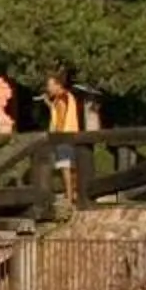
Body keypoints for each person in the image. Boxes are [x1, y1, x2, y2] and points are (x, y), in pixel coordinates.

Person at [44, 73, 83, 207]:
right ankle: (73, 193)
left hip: (64, 135)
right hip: (69, 134)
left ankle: (70, 196)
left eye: (50, 85)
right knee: (70, 166)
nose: (48, 88)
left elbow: (61, 119)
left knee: (65, 166)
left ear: (57, 85)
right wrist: (50, 106)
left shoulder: (62, 99)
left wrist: (56, 134)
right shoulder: (65, 98)